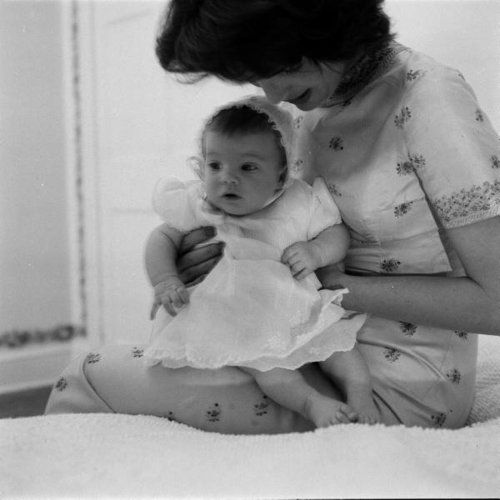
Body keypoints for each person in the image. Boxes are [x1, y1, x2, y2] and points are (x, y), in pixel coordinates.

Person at [45, 0, 500, 431]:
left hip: (397, 380)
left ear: (327, 26)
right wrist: (212, 264)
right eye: (255, 76)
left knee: (85, 377)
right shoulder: (305, 101)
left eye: (279, 68)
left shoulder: (429, 99)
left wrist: (325, 285)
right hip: (295, 343)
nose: (271, 93)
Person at [143, 96, 376, 426]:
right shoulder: (200, 202)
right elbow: (162, 238)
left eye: (247, 167)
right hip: (240, 317)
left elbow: (336, 233)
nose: (227, 178)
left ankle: (360, 392)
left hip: (295, 303)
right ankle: (311, 404)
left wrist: (316, 252)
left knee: (339, 344)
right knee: (269, 369)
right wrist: (166, 279)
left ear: (281, 176)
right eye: (215, 165)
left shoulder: (299, 200)